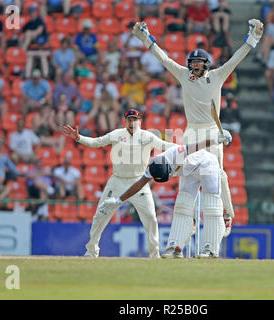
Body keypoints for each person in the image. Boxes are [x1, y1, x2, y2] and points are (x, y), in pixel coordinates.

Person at [130, 19, 263, 237]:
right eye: (193, 63)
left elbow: (236, 59)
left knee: (218, 174)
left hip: (212, 129)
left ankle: (227, 215)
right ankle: (189, 219)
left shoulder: (218, 75)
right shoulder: (184, 75)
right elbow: (163, 58)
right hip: (192, 130)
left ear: (206, 64)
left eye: (199, 63)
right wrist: (145, 36)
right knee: (187, 175)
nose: (195, 66)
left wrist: (253, 37)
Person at [61, 109, 181, 259]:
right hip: (117, 181)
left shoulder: (147, 136)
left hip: (139, 182)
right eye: (129, 120)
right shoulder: (117, 135)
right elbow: (97, 142)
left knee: (150, 217)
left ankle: (154, 255)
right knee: (101, 215)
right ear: (125, 121)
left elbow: (166, 146)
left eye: (134, 120)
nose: (132, 123)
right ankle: (91, 251)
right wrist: (79, 138)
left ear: (140, 121)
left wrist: (186, 149)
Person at [98, 127, 232, 258]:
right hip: (188, 172)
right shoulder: (153, 166)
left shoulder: (177, 153)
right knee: (182, 206)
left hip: (206, 166)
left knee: (211, 205)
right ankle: (174, 247)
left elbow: (198, 145)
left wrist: (217, 138)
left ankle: (210, 248)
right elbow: (138, 185)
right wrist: (118, 200)